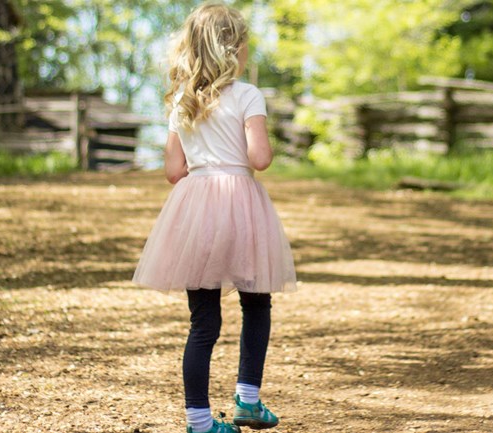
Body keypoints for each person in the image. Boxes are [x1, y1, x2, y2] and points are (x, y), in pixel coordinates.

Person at [131, 2, 298, 432]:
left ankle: (200, 422)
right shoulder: (247, 95)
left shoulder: (182, 102)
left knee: (203, 321)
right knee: (256, 301)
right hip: (241, 204)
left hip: (195, 208)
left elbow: (172, 171)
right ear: (234, 48)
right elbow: (259, 159)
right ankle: (247, 399)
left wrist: (204, 163)